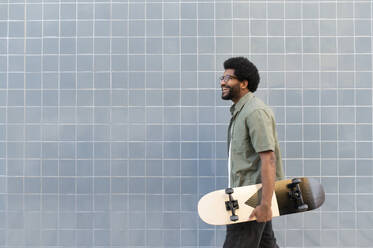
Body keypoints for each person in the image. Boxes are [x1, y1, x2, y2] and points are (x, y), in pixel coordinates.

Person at [220, 57, 284, 248]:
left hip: (250, 200)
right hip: (247, 197)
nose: (223, 82)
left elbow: (269, 159)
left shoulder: (255, 112)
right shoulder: (240, 113)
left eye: (228, 78)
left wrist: (265, 204)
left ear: (244, 83)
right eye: (222, 78)